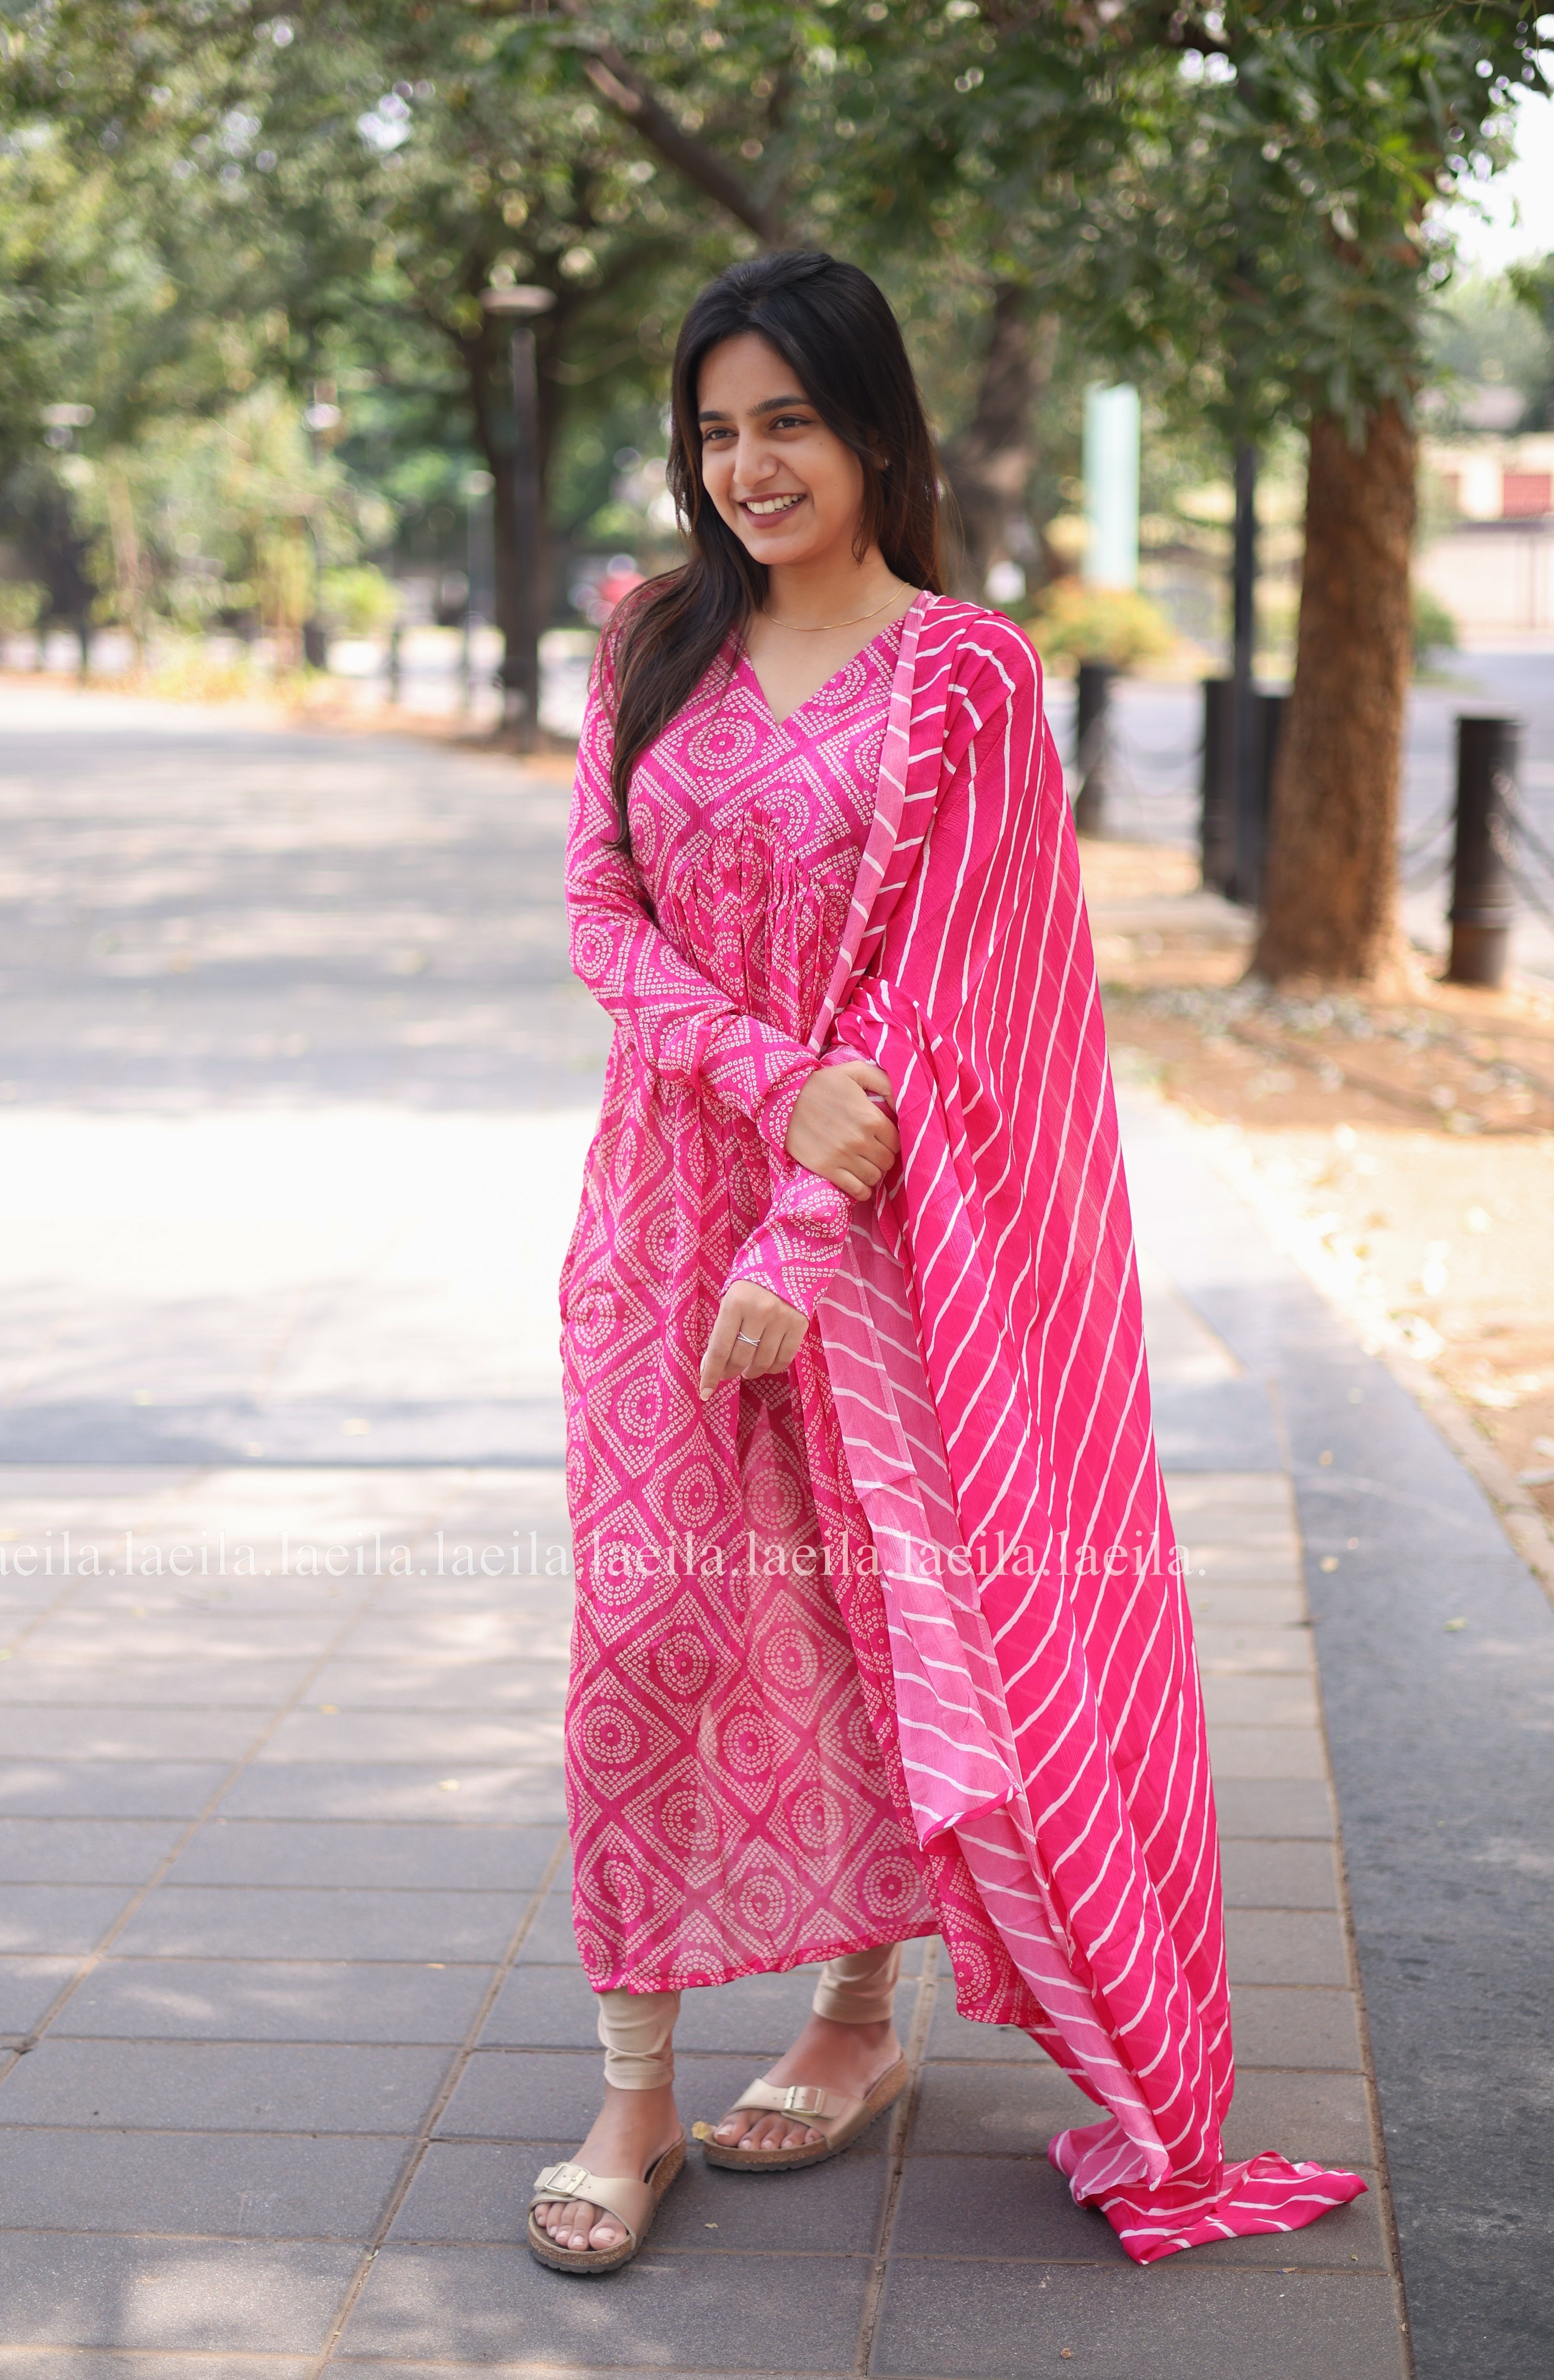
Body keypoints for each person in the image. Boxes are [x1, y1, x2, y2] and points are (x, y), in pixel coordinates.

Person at [532, 250, 1365, 2276]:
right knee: (647, 1629)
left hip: (888, 1245)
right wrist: (768, 1073)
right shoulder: (646, 637)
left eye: (786, 423)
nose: (747, 467)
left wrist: (806, 1228)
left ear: (878, 430)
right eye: (717, 432)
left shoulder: (963, 676)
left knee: (876, 1638)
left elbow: (950, 1006)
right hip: (658, 1212)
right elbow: (601, 913)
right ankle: (632, 2086)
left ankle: (850, 2018)